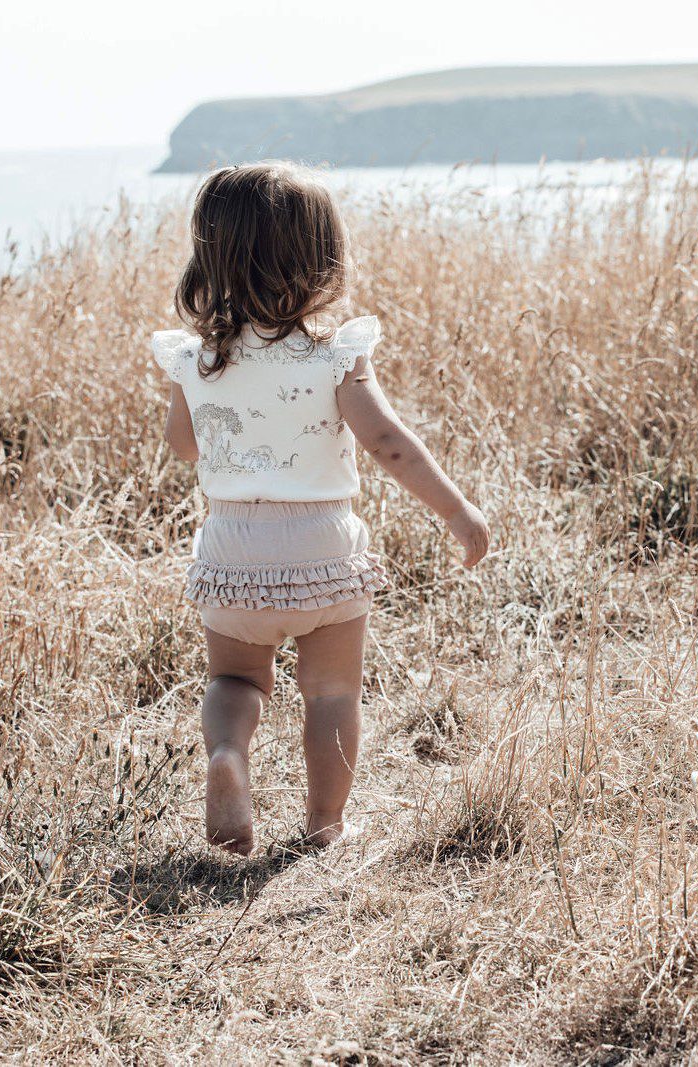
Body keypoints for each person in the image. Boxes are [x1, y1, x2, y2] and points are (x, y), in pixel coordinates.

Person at [151, 163, 490, 854]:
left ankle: (228, 755)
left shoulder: (195, 357)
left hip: (232, 548)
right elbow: (389, 443)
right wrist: (457, 512)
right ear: (318, 258)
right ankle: (323, 826)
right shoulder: (336, 354)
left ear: (208, 255)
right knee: (332, 690)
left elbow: (184, 447)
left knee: (233, 678)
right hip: (322, 548)